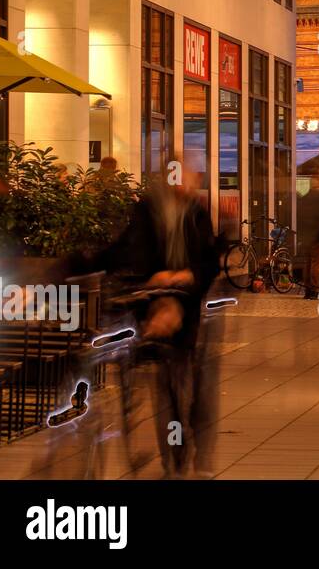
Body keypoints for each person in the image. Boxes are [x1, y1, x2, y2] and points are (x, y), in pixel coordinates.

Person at [97, 169, 224, 477]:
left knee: (190, 385)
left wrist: (186, 277)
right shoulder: (146, 211)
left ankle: (190, 453)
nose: (183, 183)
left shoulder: (197, 214)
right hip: (151, 304)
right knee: (164, 389)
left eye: (187, 178)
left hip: (189, 306)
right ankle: (173, 458)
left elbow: (209, 262)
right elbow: (124, 251)